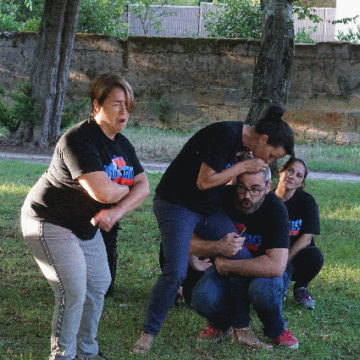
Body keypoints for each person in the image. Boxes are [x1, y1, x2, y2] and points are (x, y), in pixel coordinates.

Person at [132, 105, 295, 354]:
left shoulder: (246, 147)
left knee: (239, 252)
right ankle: (148, 334)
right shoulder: (224, 135)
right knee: (175, 271)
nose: (268, 161)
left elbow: (222, 182)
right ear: (263, 139)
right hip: (176, 203)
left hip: (206, 207)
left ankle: (241, 329)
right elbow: (204, 181)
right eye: (272, 155)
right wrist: (243, 167)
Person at [21, 73, 150, 360]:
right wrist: (125, 189)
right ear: (96, 105)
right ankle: (63, 356)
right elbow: (102, 191)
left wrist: (117, 209)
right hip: (49, 220)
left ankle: (86, 352)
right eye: (116, 104)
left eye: (127, 105)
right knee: (74, 289)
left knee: (99, 282)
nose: (124, 111)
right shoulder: (78, 139)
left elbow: (145, 187)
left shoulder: (122, 144)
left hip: (85, 225)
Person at [191, 167, 299, 349]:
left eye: (255, 189)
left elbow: (276, 266)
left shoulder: (275, 209)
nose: (246, 196)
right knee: (202, 298)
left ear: (267, 187)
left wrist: (228, 265)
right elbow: (188, 232)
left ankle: (276, 328)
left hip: (263, 272)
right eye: (241, 188)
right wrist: (214, 248)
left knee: (263, 291)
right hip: (225, 267)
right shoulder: (223, 198)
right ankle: (222, 324)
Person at [275, 157, 323, 309]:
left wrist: (285, 261)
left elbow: (307, 238)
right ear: (281, 171)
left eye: (299, 175)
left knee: (315, 256)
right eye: (290, 170)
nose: (292, 176)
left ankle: (300, 288)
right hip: (271, 255)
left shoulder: (307, 201)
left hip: (295, 256)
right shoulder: (267, 200)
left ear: (301, 183)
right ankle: (276, 286)